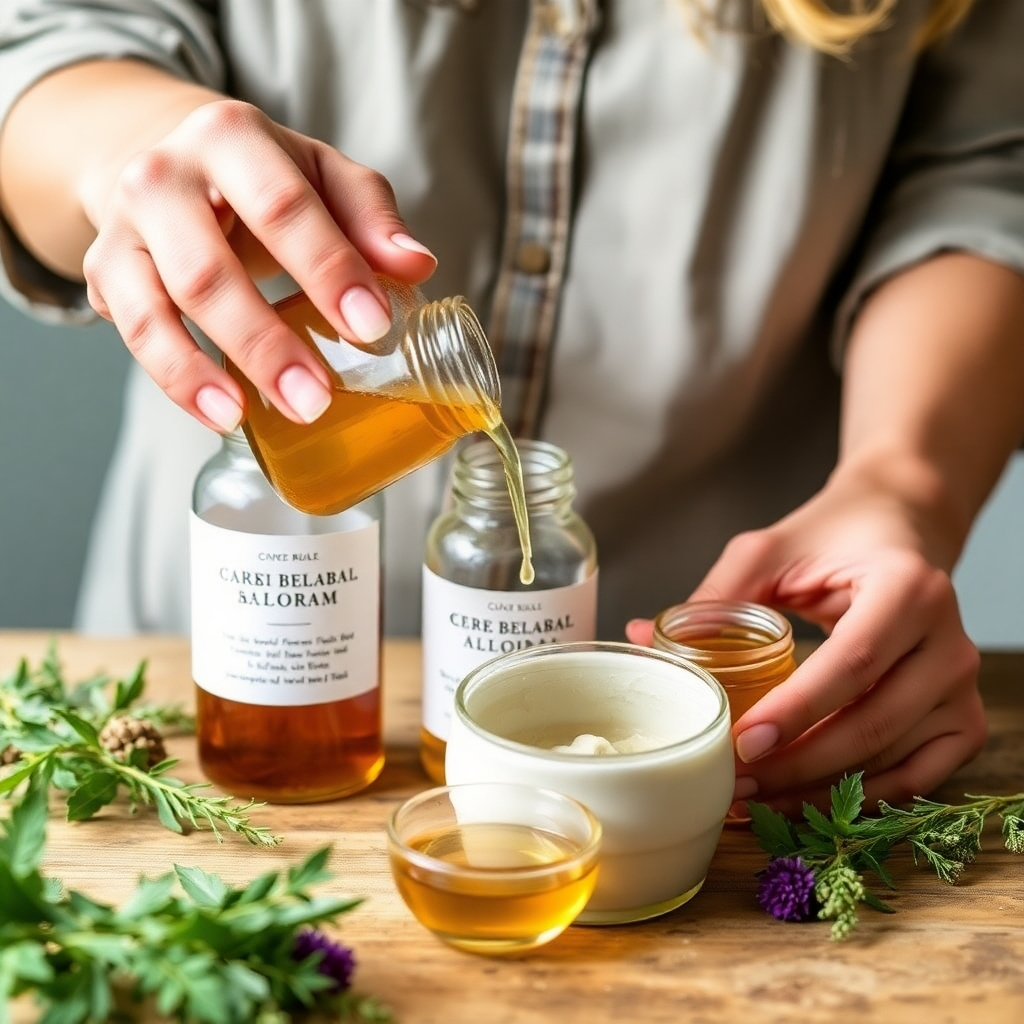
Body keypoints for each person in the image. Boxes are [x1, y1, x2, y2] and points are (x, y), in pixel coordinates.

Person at [2, 0, 1024, 817]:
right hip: (179, 687)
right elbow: (53, 36)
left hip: (712, 664)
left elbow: (983, 170)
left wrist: (901, 479)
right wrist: (132, 155)